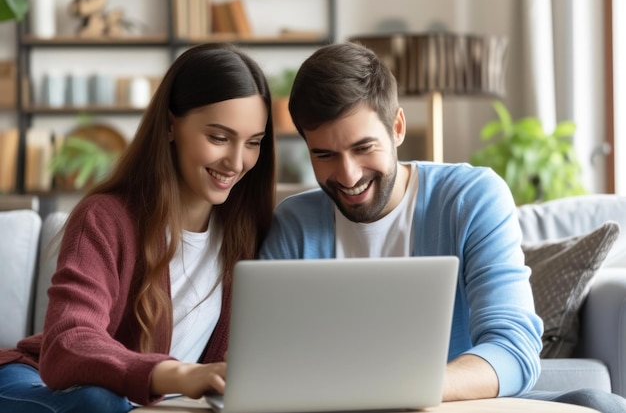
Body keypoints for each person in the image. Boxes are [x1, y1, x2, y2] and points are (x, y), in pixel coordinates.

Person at [258, 41, 626, 413]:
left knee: (598, 404)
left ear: (397, 127)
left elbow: (514, 349)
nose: (348, 174)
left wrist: (399, 390)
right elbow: (264, 355)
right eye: (325, 155)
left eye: (363, 147)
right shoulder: (294, 225)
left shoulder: (472, 198)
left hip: (454, 403)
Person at [0, 43, 276, 412]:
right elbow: (68, 341)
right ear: (169, 126)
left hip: (155, 406)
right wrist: (177, 375)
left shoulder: (247, 233)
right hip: (41, 382)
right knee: (100, 402)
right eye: (219, 138)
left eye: (253, 143)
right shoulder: (105, 218)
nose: (237, 162)